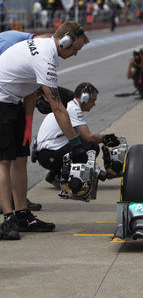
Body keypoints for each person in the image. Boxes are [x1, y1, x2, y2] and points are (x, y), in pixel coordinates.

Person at [0, 21, 89, 240]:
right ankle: (8, 219)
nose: (75, 54)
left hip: (15, 101)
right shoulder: (45, 58)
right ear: (65, 41)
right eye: (75, 49)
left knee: (20, 158)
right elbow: (58, 107)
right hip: (1, 101)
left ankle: (22, 214)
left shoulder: (43, 44)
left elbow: (30, 87)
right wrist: (76, 144)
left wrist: (28, 122)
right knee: (4, 161)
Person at [35, 83, 120, 195]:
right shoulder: (73, 108)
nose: (94, 104)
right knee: (91, 148)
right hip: (48, 155)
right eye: (93, 100)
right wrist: (105, 138)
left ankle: (54, 175)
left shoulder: (69, 106)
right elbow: (88, 137)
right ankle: (68, 178)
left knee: (83, 145)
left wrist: (103, 139)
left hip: (45, 153)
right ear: (85, 98)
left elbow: (79, 136)